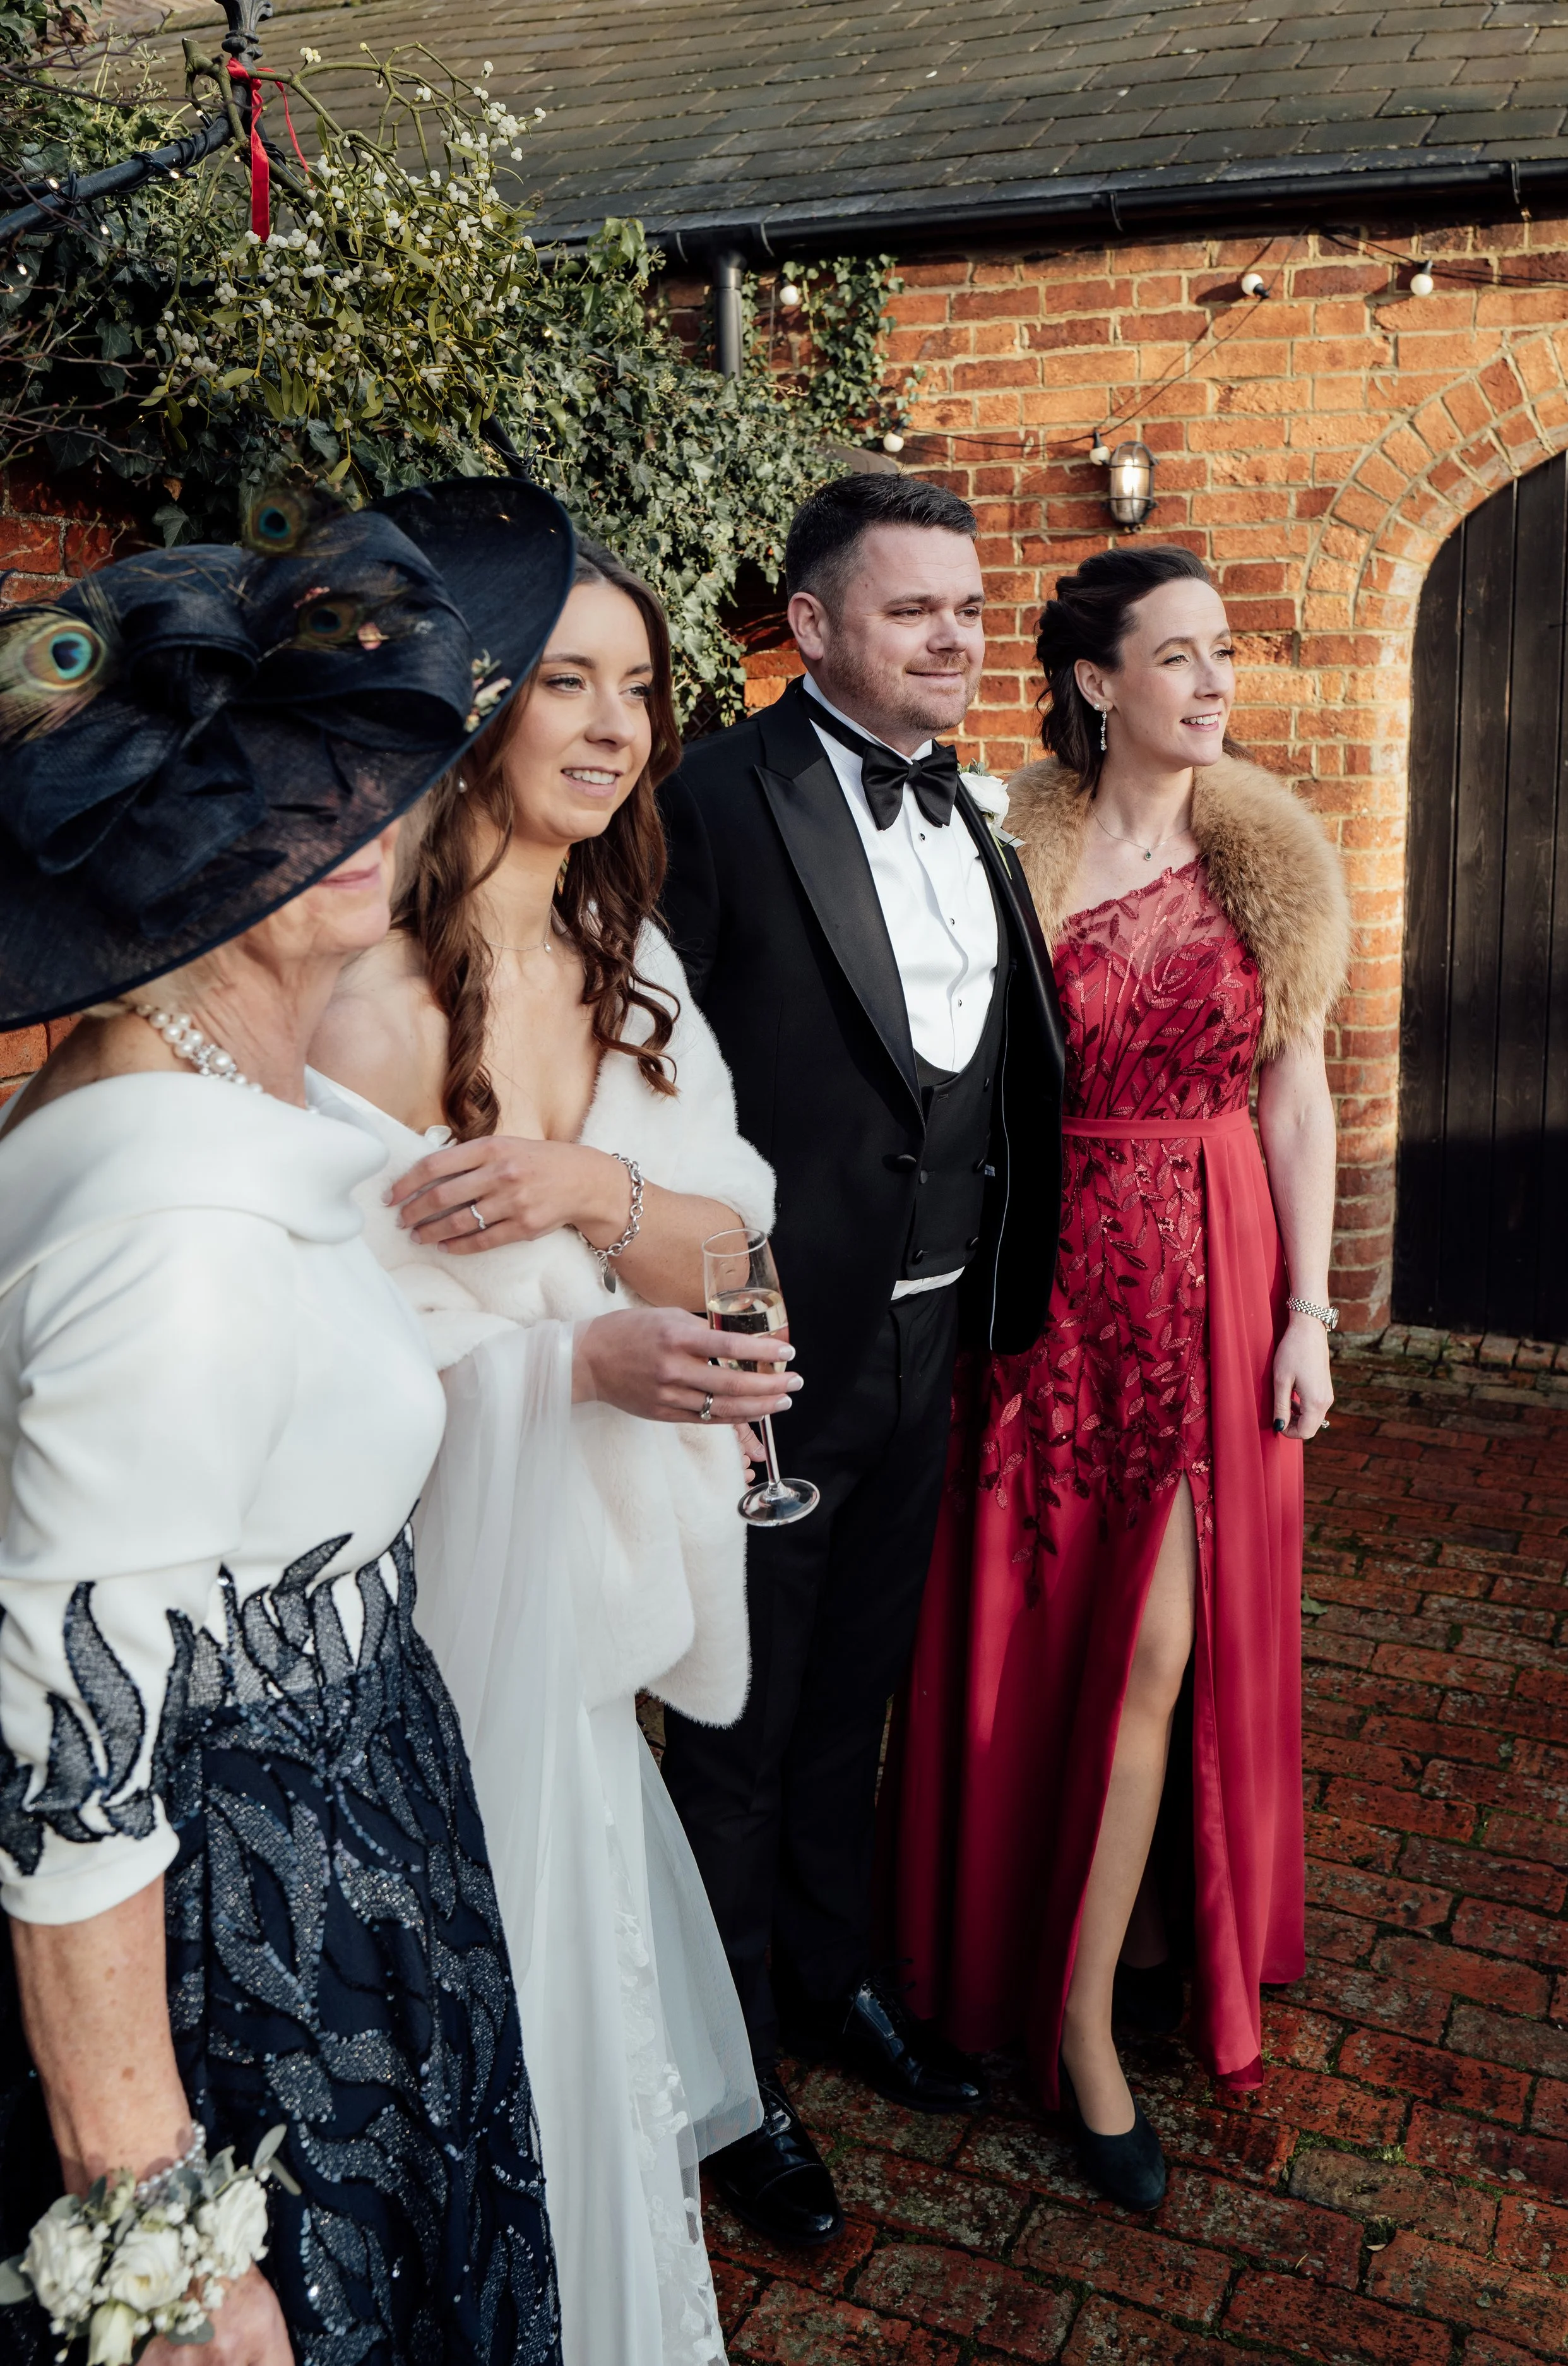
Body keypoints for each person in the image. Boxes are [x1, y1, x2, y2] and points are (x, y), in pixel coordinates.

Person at [0, 480, 576, 2364]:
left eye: (344, 758)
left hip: (354, 1860)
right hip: (246, 1952)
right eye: (250, 780)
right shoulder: (164, 1218)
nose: (350, 813)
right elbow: (66, 1752)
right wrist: (157, 2239)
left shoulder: (269, 1119)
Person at [309, 537, 782, 2366]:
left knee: (588, 1986)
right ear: (482, 698)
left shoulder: (629, 952)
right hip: (418, 1608)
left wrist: (599, 1194)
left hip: (584, 1589)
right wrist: (571, 1354)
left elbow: (736, 1246)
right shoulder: (363, 980)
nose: (611, 725)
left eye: (640, 688)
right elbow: (334, 1339)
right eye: (568, 680)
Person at [886, 545, 1350, 2212]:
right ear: (1094, 684)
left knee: (1166, 1645)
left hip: (1217, 1274)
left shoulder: (1270, 855)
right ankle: (1093, 1936)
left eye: (1222, 652)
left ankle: (1084, 2021)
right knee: (1041, 1630)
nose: (1214, 682)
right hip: (1048, 1289)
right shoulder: (1009, 850)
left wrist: (1307, 1313)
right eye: (1178, 656)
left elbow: (1295, 1093)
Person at [656, 472, 1066, 2246]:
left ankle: (832, 1984)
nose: (956, 639)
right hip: (764, 1358)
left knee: (851, 1705)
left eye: (969, 609)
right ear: (811, 627)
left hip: (927, 1354)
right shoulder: (709, 802)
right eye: (913, 612)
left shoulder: (980, 812)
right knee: (733, 1730)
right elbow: (649, 1083)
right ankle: (730, 2082)